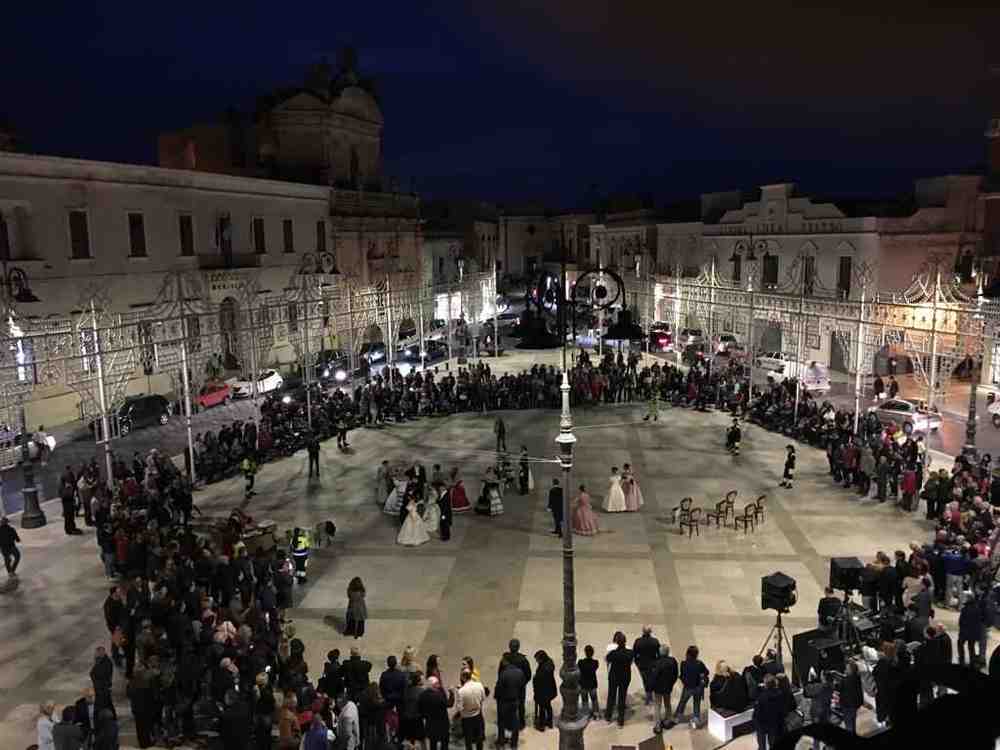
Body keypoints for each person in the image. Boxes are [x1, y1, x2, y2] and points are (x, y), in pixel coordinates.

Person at [499, 639, 531, 730]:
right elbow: (528, 674)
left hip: (507, 688)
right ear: (518, 647)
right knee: (521, 705)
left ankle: (509, 723)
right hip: (520, 688)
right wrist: (522, 683)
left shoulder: (504, 660)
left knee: (508, 705)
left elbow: (500, 675)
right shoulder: (523, 660)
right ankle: (521, 723)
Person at [674, 645, 709, 729]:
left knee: (682, 702)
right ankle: (696, 719)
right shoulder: (699, 664)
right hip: (698, 688)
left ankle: (678, 717)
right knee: (696, 703)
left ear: (687, 654)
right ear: (696, 654)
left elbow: (682, 675)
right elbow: (707, 672)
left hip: (687, 688)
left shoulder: (684, 664)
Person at [604, 631, 633, 726]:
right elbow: (631, 662)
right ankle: (620, 720)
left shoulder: (613, 653)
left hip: (614, 677)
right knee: (622, 697)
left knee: (611, 695)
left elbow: (607, 660)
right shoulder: (630, 653)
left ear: (616, 642)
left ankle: (608, 716)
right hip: (625, 677)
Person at [495, 656, 525, 748]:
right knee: (515, 720)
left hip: (504, 701)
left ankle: (501, 740)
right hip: (515, 700)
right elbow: (522, 687)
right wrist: (520, 699)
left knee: (501, 721)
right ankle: (514, 743)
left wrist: (497, 697)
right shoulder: (520, 672)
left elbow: (499, 689)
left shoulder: (503, 674)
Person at [650, 644, 678, 734]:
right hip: (668, 687)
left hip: (658, 689)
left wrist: (651, 687)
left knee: (657, 706)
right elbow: (675, 675)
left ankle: (658, 726)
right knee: (667, 704)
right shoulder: (673, 661)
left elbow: (654, 677)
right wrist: (671, 684)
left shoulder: (656, 663)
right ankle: (667, 721)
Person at [752, 674, 785, 750]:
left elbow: (757, 712)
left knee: (761, 742)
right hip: (774, 723)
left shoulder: (762, 697)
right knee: (772, 741)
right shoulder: (780, 693)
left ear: (765, 684)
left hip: (762, 723)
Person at [456, 669, 486, 750]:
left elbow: (459, 708)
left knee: (468, 739)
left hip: (467, 718)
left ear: (463, 678)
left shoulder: (461, 691)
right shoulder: (479, 685)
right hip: (477, 715)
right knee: (479, 738)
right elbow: (483, 698)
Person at [418, 676, 450, 750]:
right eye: (437, 683)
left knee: (433, 743)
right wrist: (451, 693)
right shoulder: (439, 696)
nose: (439, 685)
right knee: (444, 743)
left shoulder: (423, 695)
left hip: (430, 724)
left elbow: (420, 710)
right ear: (433, 685)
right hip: (442, 724)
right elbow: (449, 704)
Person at [632, 625, 661, 705]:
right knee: (651, 680)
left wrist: (637, 662)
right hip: (653, 664)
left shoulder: (638, 641)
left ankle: (649, 696)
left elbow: (634, 653)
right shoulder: (655, 641)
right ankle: (650, 695)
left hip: (642, 665)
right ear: (650, 632)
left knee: (645, 680)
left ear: (643, 631)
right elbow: (659, 654)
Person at [531, 651, 557, 730]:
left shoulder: (544, 668)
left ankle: (542, 725)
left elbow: (540, 679)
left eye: (537, 659)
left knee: (542, 707)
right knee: (548, 705)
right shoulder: (548, 663)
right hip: (549, 690)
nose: (536, 661)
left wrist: (535, 678)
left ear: (541, 658)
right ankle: (549, 722)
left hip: (543, 691)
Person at [838, 661, 863, 735]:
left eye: (847, 668)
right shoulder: (857, 678)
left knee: (849, 725)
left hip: (847, 705)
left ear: (851, 670)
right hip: (855, 705)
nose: (845, 669)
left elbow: (839, 688)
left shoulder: (845, 680)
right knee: (853, 722)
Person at [578, 645, 600, 719]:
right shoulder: (595, 663)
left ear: (585, 652)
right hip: (592, 684)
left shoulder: (580, 663)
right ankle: (596, 713)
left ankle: (586, 714)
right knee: (594, 699)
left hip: (583, 685)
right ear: (592, 653)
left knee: (584, 700)